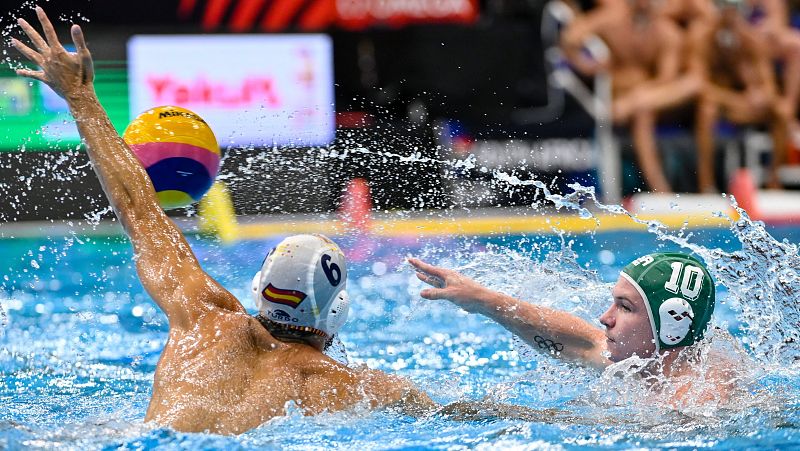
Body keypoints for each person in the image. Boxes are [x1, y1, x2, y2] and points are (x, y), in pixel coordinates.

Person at [12, 7, 435, 435]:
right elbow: (471, 416)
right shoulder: (350, 387)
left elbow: (137, 209)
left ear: (259, 288)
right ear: (337, 309)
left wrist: (81, 98)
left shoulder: (202, 319)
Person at [410, 252, 739, 405]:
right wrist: (481, 299)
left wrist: (504, 415)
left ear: (671, 325)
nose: (605, 318)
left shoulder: (699, 399)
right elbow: (580, 342)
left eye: (624, 307)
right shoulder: (644, 360)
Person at [561, 0, 699, 193]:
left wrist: (634, 98)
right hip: (614, 102)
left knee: (647, 108)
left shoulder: (667, 34)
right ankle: (661, 192)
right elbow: (570, 38)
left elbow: (666, 79)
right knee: (642, 109)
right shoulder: (611, 21)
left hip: (645, 102)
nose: (644, 4)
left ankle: (665, 191)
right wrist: (585, 64)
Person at [691, 0, 789, 190]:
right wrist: (736, 100)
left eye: (734, 9)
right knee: (707, 110)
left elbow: (769, 87)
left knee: (782, 112)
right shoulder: (703, 39)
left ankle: (774, 179)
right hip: (722, 105)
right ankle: (705, 182)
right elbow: (700, 86)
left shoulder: (751, 40)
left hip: (745, 107)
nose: (729, 14)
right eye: (725, 8)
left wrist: (760, 96)